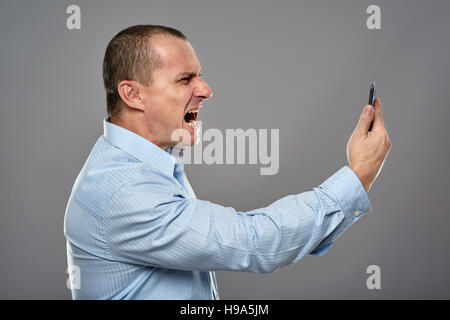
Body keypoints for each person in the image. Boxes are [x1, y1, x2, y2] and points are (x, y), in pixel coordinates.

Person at [64, 25, 392, 300]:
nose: (206, 90)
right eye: (185, 79)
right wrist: (359, 175)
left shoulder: (145, 159)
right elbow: (253, 241)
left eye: (200, 76)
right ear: (132, 94)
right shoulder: (124, 192)